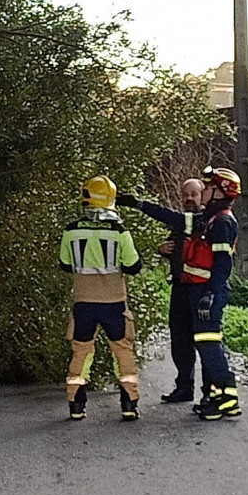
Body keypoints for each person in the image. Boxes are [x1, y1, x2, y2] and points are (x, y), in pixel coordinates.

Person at [119, 167, 241, 421]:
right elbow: (171, 217)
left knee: (209, 345)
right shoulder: (208, 218)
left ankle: (226, 398)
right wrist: (140, 205)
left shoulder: (222, 222)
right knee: (204, 344)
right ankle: (220, 397)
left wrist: (210, 294)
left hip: (206, 293)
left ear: (219, 192)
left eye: (207, 188)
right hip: (196, 291)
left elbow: (222, 264)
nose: (205, 191)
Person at [59, 175, 143, 421]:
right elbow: (134, 265)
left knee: (81, 352)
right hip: (114, 303)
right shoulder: (119, 231)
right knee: (122, 351)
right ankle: (129, 404)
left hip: (83, 303)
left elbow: (65, 265)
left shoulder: (71, 230)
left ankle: (76, 405)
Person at [158, 178, 207, 404]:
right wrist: (163, 249)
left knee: (205, 342)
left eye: (193, 194)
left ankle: (211, 391)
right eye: (185, 195)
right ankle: (184, 387)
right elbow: (173, 246)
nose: (189, 199)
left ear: (202, 196)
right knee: (179, 340)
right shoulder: (180, 224)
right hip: (179, 287)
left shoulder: (208, 221)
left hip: (201, 291)